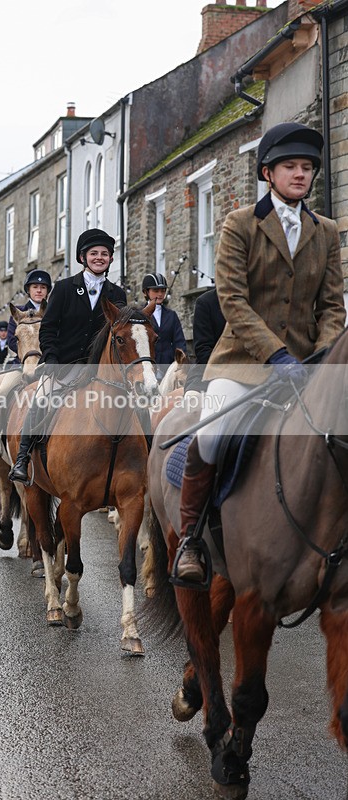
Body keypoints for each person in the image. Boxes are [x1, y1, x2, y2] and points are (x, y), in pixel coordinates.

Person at [175, 122, 346, 583]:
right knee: (212, 436)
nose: (301, 174)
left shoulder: (326, 231)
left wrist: (324, 357)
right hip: (244, 363)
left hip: (309, 367)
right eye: (290, 166)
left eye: (307, 167)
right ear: (268, 173)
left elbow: (332, 304)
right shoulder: (239, 224)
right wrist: (276, 356)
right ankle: (191, 538)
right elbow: (232, 300)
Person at [9, 228, 126, 484]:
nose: (99, 257)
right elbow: (49, 328)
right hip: (64, 365)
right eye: (93, 253)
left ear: (110, 259)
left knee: (134, 403)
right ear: (82, 257)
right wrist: (51, 358)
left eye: (104, 254)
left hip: (101, 369)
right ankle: (23, 457)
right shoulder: (63, 289)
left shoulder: (117, 295)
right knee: (40, 397)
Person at [0, 268, 52, 456]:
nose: (39, 290)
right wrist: (29, 355)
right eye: (35, 287)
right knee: (2, 391)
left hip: (46, 363)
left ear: (47, 291)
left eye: (43, 287)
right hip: (20, 363)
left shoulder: (51, 311)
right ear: (28, 290)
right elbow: (13, 341)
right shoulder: (18, 312)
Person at [141, 273, 187, 379]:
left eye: (163, 291)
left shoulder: (171, 315)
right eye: (156, 291)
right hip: (148, 366)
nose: (160, 294)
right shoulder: (139, 315)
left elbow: (179, 341)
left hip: (169, 365)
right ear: (146, 292)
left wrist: (181, 362)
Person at [182, 288, 226, 395]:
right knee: (192, 397)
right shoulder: (205, 302)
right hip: (209, 367)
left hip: (250, 369)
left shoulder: (254, 300)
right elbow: (202, 348)